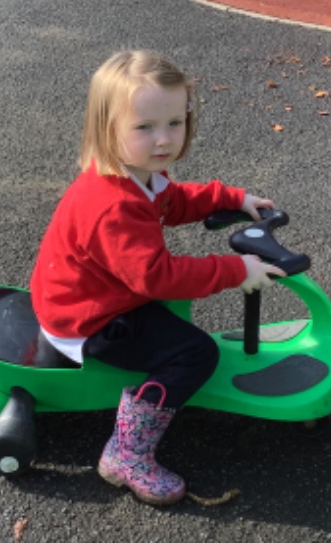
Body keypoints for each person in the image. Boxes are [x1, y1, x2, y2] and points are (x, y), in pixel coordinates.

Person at [29, 50, 285, 505]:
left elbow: (174, 201)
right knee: (194, 353)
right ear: (108, 128)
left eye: (174, 122)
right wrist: (235, 270)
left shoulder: (138, 173)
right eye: (144, 127)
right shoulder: (114, 205)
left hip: (97, 293)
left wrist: (229, 198)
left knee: (173, 321)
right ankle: (126, 453)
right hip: (89, 318)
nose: (163, 139)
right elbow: (156, 278)